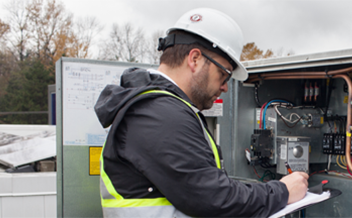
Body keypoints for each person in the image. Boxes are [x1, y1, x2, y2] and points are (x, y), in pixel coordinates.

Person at [94, 8, 308, 217]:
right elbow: (215, 199)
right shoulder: (159, 115)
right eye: (224, 74)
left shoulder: (159, 109)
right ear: (194, 59)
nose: (225, 87)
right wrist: (282, 192)